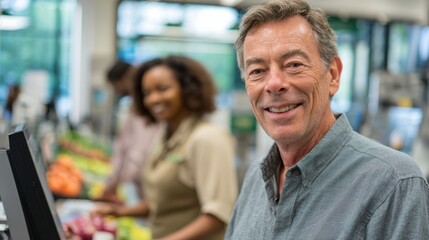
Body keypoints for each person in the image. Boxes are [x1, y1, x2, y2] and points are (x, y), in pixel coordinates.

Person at [225, 0, 429, 239]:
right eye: (257, 71)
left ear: (333, 75)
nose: (274, 84)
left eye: (293, 65)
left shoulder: (393, 182)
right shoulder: (255, 178)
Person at [95, 55, 238, 240]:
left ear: (187, 89)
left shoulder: (207, 138)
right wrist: (120, 212)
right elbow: (160, 203)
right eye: (147, 93)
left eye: (162, 89)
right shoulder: (164, 138)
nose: (153, 99)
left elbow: (218, 214)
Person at [102, 60, 160, 202]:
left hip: (146, 181)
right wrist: (116, 179)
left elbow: (138, 149)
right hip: (139, 183)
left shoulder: (149, 112)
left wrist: (121, 177)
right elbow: (125, 145)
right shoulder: (135, 108)